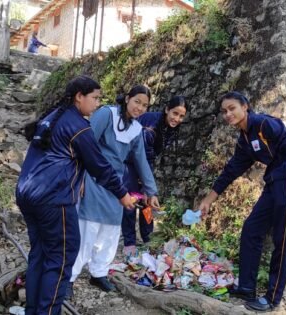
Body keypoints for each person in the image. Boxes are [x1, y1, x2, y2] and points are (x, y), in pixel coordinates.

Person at [16, 75, 135, 315]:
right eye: (95, 98)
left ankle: (33, 310)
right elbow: (99, 166)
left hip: (27, 194)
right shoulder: (78, 127)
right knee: (61, 259)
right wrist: (122, 194)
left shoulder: (52, 118)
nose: (97, 103)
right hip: (53, 199)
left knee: (39, 253)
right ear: (78, 97)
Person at [196, 91, 286, 312]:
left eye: (232, 108)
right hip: (273, 182)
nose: (228, 114)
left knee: (282, 238)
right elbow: (231, 171)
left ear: (245, 107)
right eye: (224, 111)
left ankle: (272, 298)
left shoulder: (263, 123)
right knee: (251, 229)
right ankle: (247, 288)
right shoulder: (244, 141)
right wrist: (208, 200)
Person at [70, 85, 161, 294]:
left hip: (116, 183)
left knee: (110, 230)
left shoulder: (137, 129)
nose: (140, 107)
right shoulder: (106, 114)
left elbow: (141, 160)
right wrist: (79, 177)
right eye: (137, 101)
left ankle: (99, 272)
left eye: (145, 105)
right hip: (94, 176)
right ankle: (70, 277)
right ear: (127, 98)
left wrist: (151, 190)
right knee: (88, 227)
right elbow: (85, 144)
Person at [121, 96, 188, 256]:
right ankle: (129, 244)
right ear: (166, 110)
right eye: (175, 113)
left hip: (144, 162)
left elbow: (151, 156)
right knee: (131, 201)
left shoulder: (170, 128)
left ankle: (148, 239)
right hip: (129, 161)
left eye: (181, 116)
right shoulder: (151, 125)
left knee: (148, 204)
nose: (177, 119)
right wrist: (146, 186)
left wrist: (147, 188)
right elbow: (143, 155)